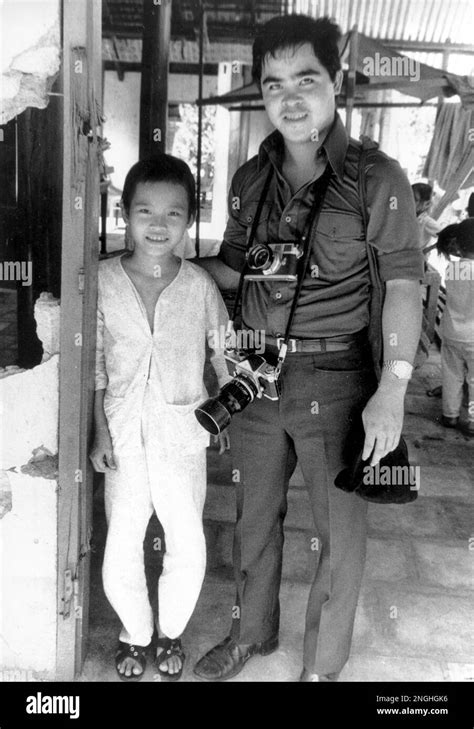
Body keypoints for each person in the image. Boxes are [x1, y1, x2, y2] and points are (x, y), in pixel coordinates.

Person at [193, 14, 423, 682]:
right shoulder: (249, 179)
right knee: (252, 517)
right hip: (258, 376)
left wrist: (395, 389)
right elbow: (234, 270)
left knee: (340, 533)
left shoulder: (377, 177)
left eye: (306, 79)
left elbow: (405, 282)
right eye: (273, 85)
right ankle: (251, 635)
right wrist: (151, 263)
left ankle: (320, 667)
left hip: (339, 376)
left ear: (335, 82)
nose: (290, 98)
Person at [89, 154, 230, 681]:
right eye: (144, 210)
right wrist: (99, 433)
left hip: (182, 436)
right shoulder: (101, 281)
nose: (157, 224)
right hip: (122, 436)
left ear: (189, 221)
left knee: (187, 541)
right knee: (122, 540)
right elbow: (95, 365)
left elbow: (226, 355)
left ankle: (170, 631)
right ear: (124, 213)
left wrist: (220, 418)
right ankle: (134, 633)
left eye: (173, 213)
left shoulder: (198, 286)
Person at [438, 219, 474, 437]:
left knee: (452, 375)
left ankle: (450, 415)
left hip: (451, 332)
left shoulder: (453, 268)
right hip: (473, 336)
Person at [412, 182, 443, 256]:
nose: (409, 201)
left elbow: (446, 236)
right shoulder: (407, 214)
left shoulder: (426, 222)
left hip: (413, 259)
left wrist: (428, 249)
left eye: (415, 199)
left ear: (427, 204)